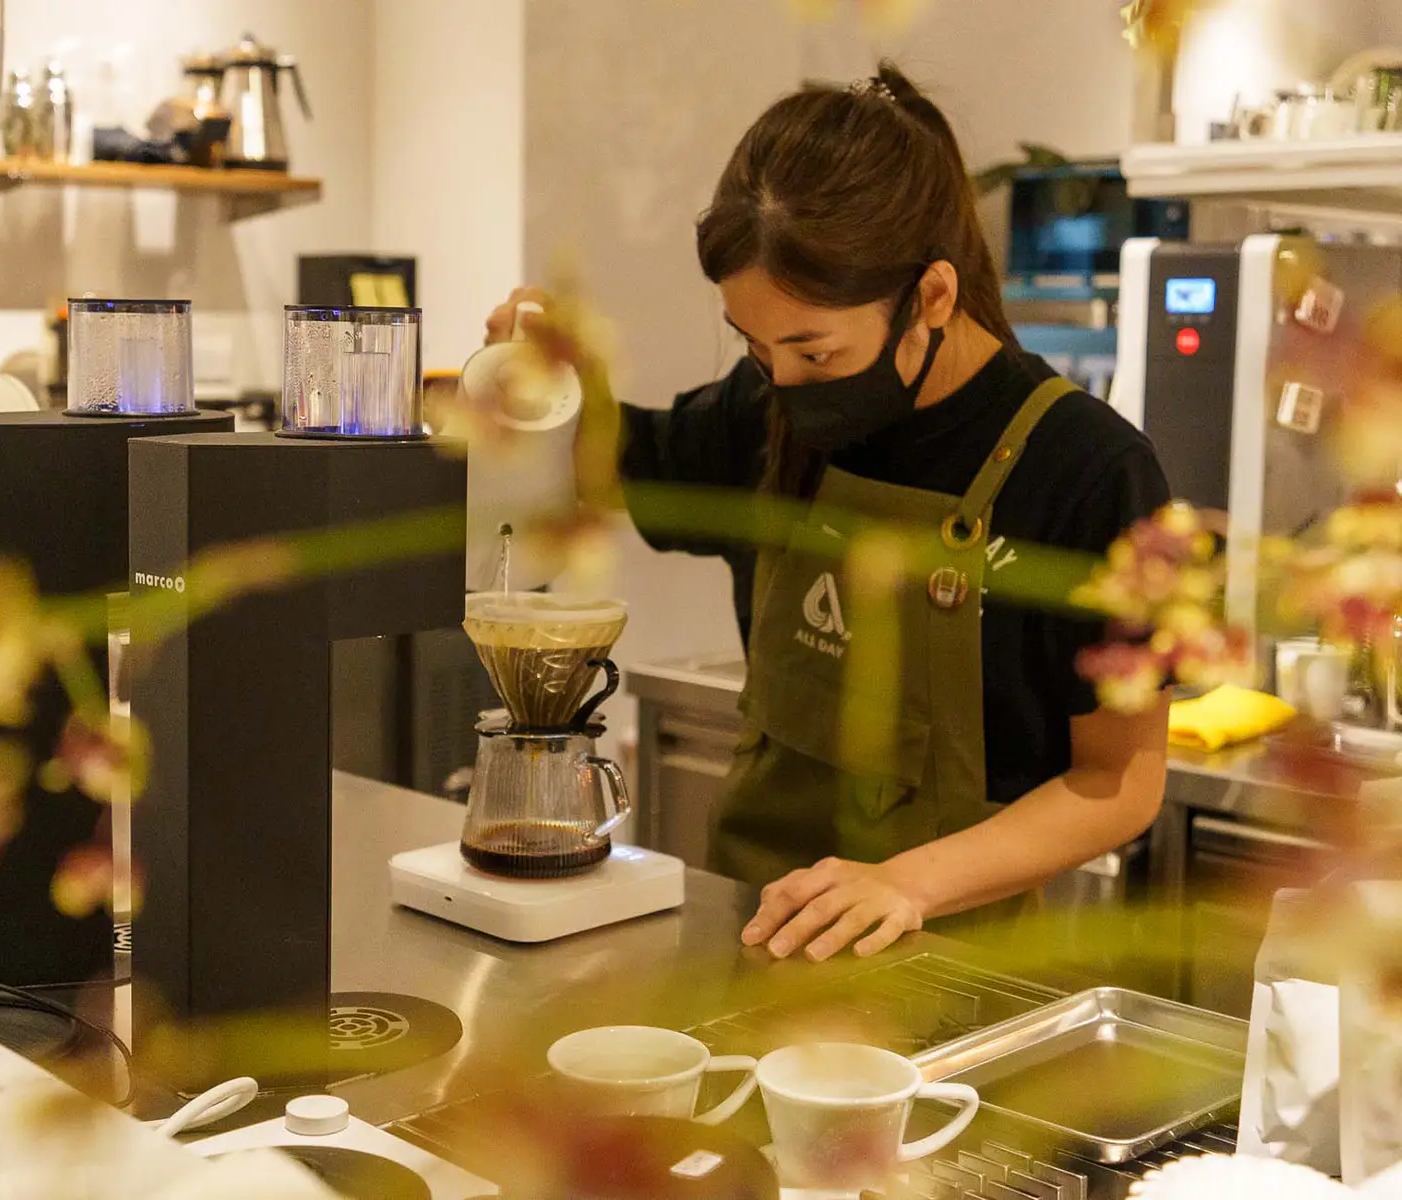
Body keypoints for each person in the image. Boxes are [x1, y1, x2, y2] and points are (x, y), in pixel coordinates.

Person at [482, 65, 1171, 962]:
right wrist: (560, 374)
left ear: (931, 294)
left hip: (957, 976)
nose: (786, 384)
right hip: (755, 947)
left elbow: (1120, 782)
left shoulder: (1091, 474)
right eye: (756, 347)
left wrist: (906, 883)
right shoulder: (764, 409)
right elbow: (610, 469)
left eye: (813, 349)